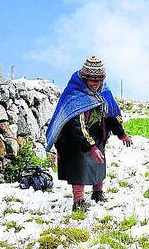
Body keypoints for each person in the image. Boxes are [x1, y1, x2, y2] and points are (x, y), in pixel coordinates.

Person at [45, 56, 133, 211]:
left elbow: (112, 113)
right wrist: (90, 147)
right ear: (85, 79)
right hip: (73, 138)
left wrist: (121, 134)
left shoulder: (103, 90)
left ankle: (98, 192)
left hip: (97, 131)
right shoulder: (75, 93)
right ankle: (78, 201)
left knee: (98, 163)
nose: (96, 85)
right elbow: (76, 125)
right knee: (78, 165)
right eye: (93, 81)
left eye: (99, 81)